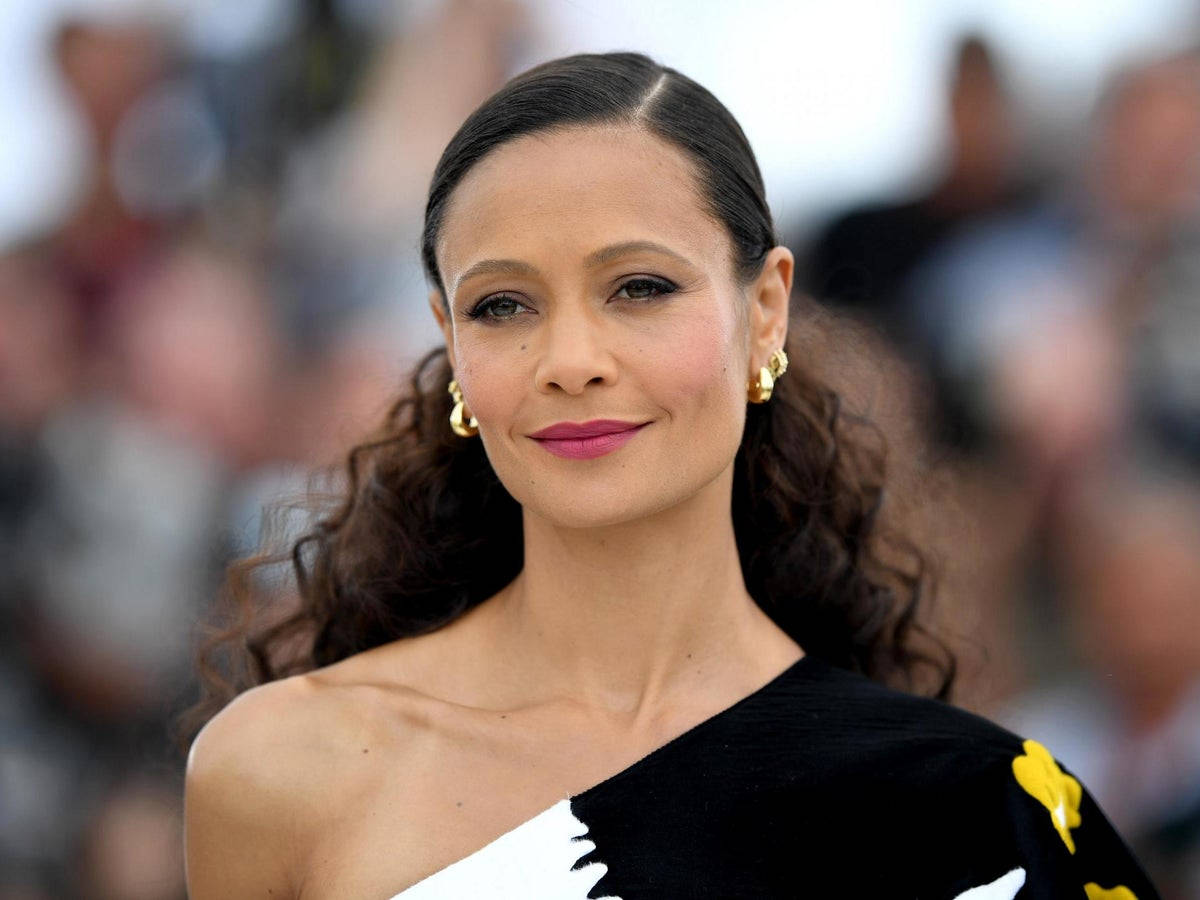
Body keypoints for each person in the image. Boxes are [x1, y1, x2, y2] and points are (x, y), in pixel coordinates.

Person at [181, 52, 1159, 898]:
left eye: (639, 287)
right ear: (449, 347)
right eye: (503, 306)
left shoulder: (982, 812)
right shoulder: (277, 770)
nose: (570, 357)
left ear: (766, 310)